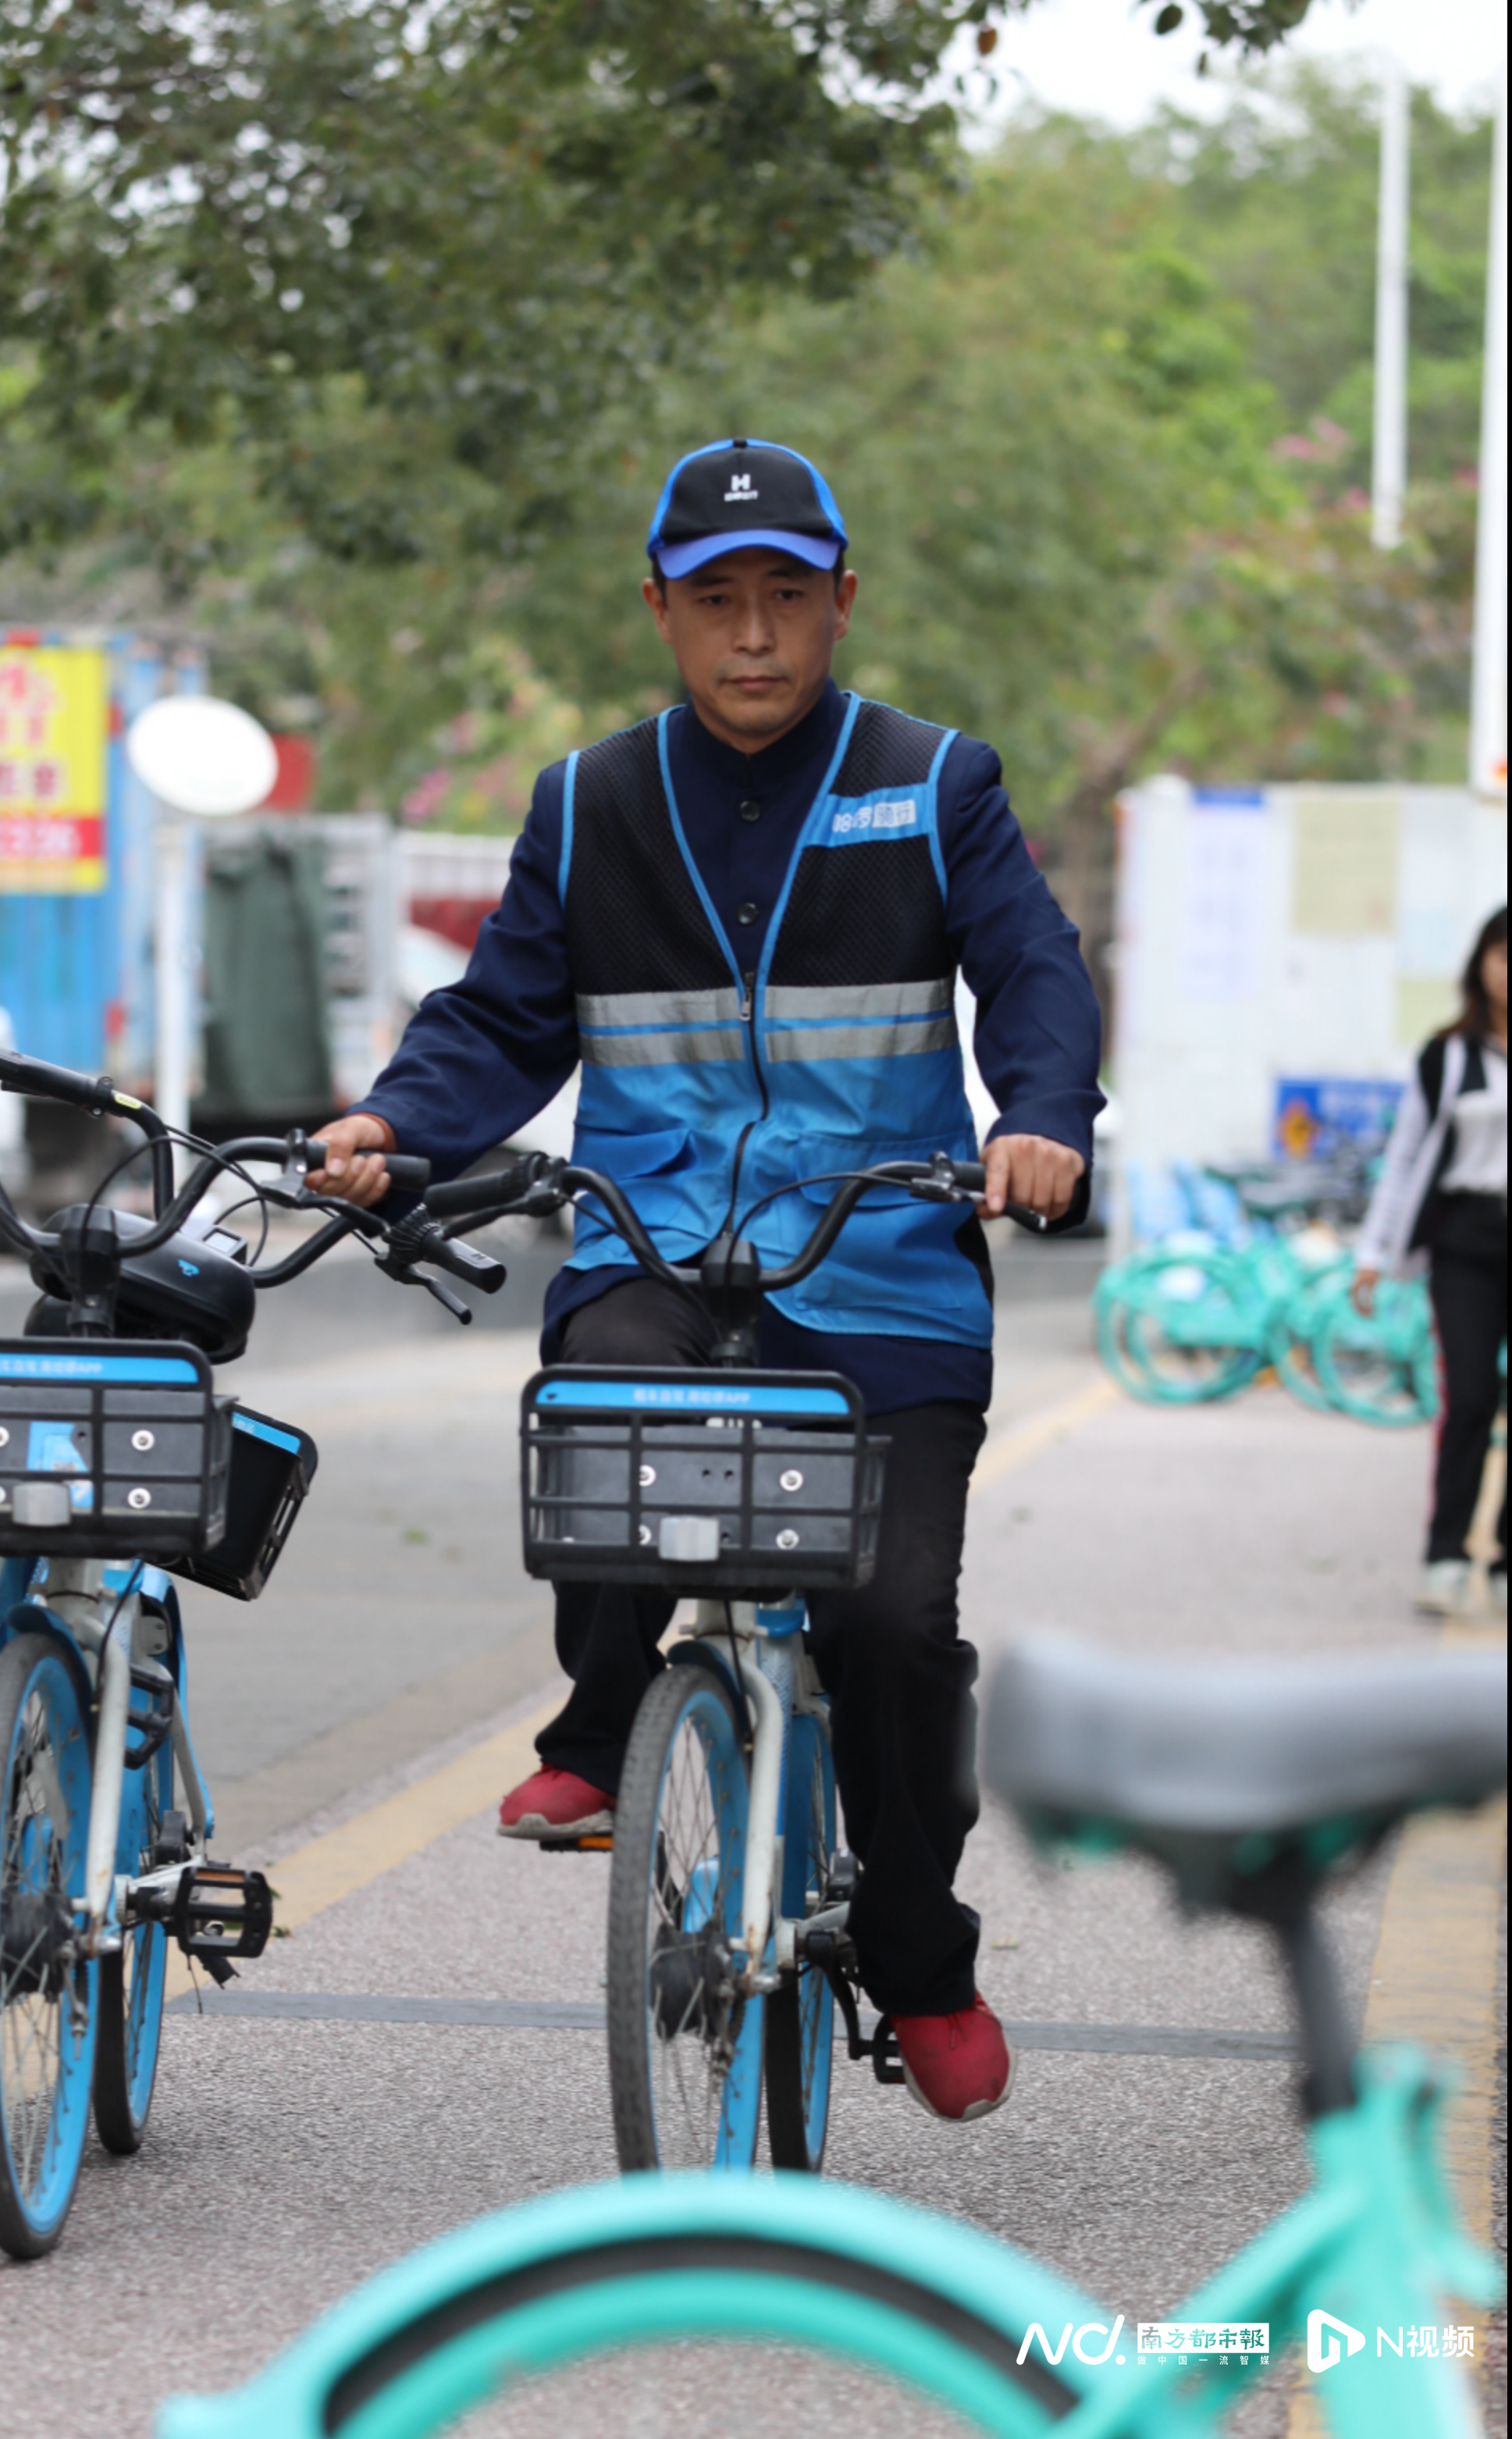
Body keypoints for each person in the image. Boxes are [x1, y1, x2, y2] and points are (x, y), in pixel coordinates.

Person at [308, 439, 1103, 2123]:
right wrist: (394, 1118)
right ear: (660, 608)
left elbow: (1032, 966)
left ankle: (916, 1940)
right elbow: (504, 1017)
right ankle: (604, 1718)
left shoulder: (932, 780)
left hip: (875, 1260)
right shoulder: (588, 800)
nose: (754, 636)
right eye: (717, 601)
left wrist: (1036, 1116)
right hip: (656, 1231)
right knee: (597, 1400)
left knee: (889, 1622)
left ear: (840, 605)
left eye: (787, 599)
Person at [1353, 906, 1508, 1616]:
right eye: (1501, 955)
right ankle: (1446, 1557)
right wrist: (1372, 1252)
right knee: (1470, 1397)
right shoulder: (1447, 1056)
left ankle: (1503, 1560)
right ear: (1480, 964)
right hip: (1465, 1244)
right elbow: (1407, 1158)